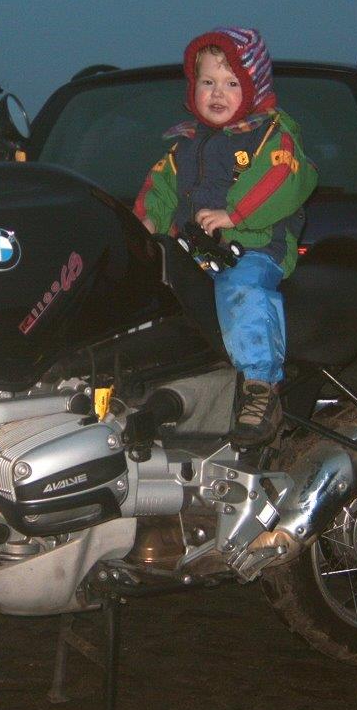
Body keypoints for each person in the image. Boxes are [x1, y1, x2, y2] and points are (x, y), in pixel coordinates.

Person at [135, 27, 316, 446]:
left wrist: (233, 215)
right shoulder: (184, 146)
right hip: (199, 253)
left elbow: (281, 178)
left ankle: (261, 387)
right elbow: (159, 189)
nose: (217, 93)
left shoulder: (271, 134)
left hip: (255, 246)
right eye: (207, 82)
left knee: (242, 288)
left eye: (232, 83)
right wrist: (144, 226)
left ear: (254, 87)